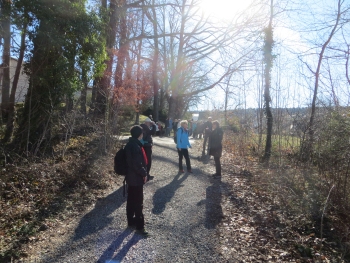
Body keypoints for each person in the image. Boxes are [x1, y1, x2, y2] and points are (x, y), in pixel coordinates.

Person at [124, 125, 148, 235]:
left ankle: (130, 221)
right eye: (142, 133)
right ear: (139, 134)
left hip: (130, 177)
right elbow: (137, 164)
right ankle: (139, 226)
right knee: (138, 201)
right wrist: (144, 173)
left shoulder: (129, 144)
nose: (143, 135)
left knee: (131, 200)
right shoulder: (135, 146)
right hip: (136, 178)